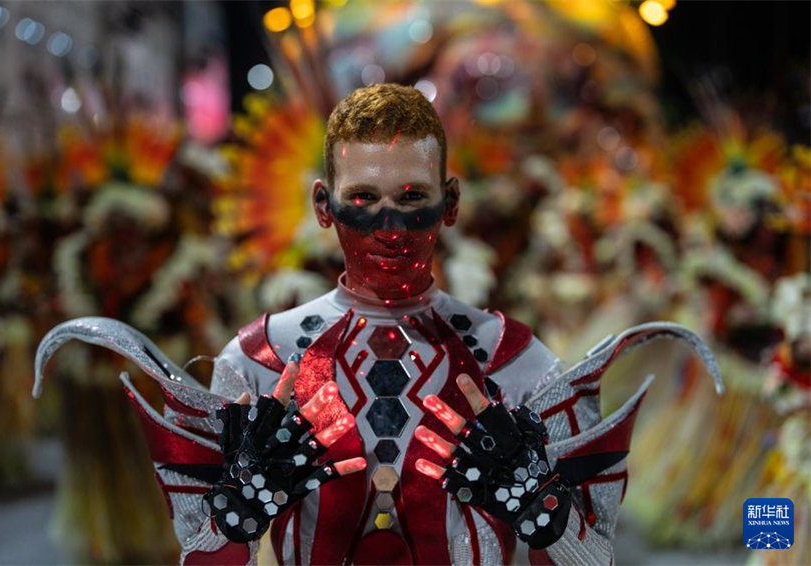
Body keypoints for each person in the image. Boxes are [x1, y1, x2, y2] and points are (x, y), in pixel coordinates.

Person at [35, 83, 721, 566]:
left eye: (413, 199)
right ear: (323, 206)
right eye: (364, 199)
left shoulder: (515, 359)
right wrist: (247, 502)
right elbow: (207, 557)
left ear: (450, 204)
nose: (391, 228)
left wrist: (529, 498)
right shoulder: (258, 358)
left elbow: (588, 556)